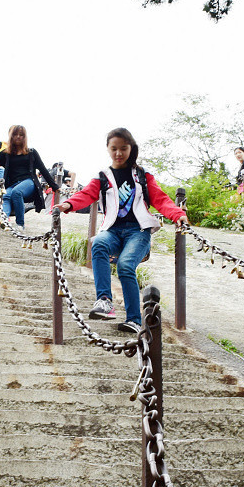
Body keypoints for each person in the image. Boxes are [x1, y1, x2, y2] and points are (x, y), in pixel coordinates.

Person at [54, 127, 189, 334]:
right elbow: (86, 194)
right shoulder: (103, 177)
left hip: (138, 231)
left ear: (131, 148)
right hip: (113, 230)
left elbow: (161, 199)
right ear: (108, 149)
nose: (118, 153)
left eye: (123, 148)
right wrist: (68, 205)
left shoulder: (142, 176)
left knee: (125, 265)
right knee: (98, 242)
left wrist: (177, 215)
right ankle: (105, 301)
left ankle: (134, 320)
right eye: (114, 148)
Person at [0, 125, 56, 229]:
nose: (18, 137)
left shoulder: (31, 153)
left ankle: (20, 224)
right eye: (15, 134)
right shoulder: (6, 154)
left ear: (25, 137)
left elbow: (43, 170)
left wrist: (55, 187)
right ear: (11, 136)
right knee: (6, 195)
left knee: (17, 192)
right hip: (13, 183)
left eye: (21, 135)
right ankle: (4, 220)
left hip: (28, 182)